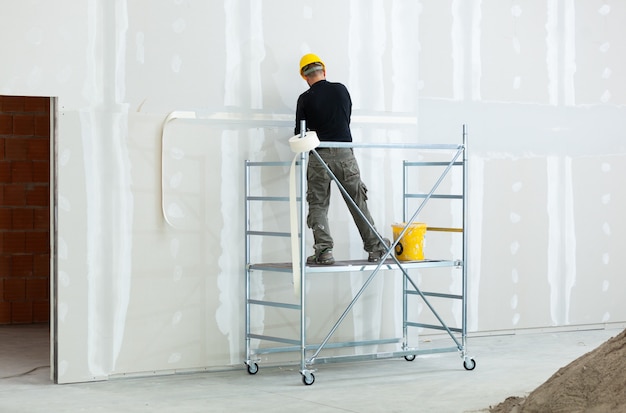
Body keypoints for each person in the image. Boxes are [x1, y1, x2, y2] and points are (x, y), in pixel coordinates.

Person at [294, 53, 389, 265]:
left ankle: (324, 251)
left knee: (318, 204)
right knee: (357, 202)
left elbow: (300, 133)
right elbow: (346, 119)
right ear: (324, 71)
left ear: (305, 76)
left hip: (319, 155)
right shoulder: (341, 90)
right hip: (345, 153)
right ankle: (375, 248)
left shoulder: (305, 99)